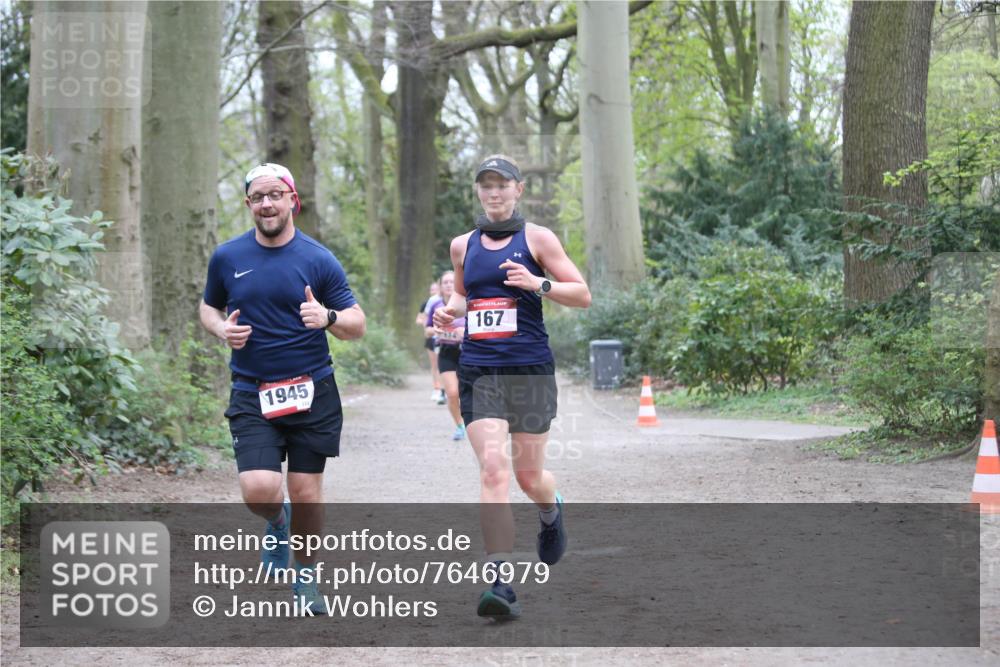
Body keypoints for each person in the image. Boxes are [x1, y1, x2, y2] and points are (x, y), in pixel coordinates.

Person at [199, 163, 366, 615]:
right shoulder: (227, 257)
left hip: (313, 390)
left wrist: (328, 318)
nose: (267, 203)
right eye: (258, 197)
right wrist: (220, 331)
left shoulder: (318, 259)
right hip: (253, 391)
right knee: (258, 489)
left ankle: (307, 574)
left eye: (276, 194)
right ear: (248, 204)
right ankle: (277, 521)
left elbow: (357, 323)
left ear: (293, 199)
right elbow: (209, 307)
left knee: (307, 491)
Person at [433, 155, 591, 619]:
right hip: (480, 371)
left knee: (528, 478)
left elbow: (581, 294)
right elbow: (464, 295)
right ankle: (499, 583)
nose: (494, 192)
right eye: (486, 185)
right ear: (479, 192)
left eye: (502, 184)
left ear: (518, 190)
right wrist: (451, 310)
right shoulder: (462, 245)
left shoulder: (537, 238)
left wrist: (538, 283)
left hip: (530, 371)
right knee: (494, 473)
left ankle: (550, 507)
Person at [426, 270, 466, 441]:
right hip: (446, 352)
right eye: (446, 282)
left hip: (468, 351)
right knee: (452, 393)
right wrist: (436, 331)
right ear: (440, 287)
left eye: (452, 281)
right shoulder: (436, 305)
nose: (449, 284)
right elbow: (427, 330)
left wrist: (464, 332)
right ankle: (459, 425)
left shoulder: (468, 301)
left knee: (470, 393)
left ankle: (475, 423)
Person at [415, 281, 445, 404]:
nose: (433, 291)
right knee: (435, 365)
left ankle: (444, 390)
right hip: (432, 337)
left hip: (447, 338)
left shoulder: (454, 299)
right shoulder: (429, 303)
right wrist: (427, 328)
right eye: (431, 289)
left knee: (443, 364)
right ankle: (437, 388)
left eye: (435, 289)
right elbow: (421, 319)